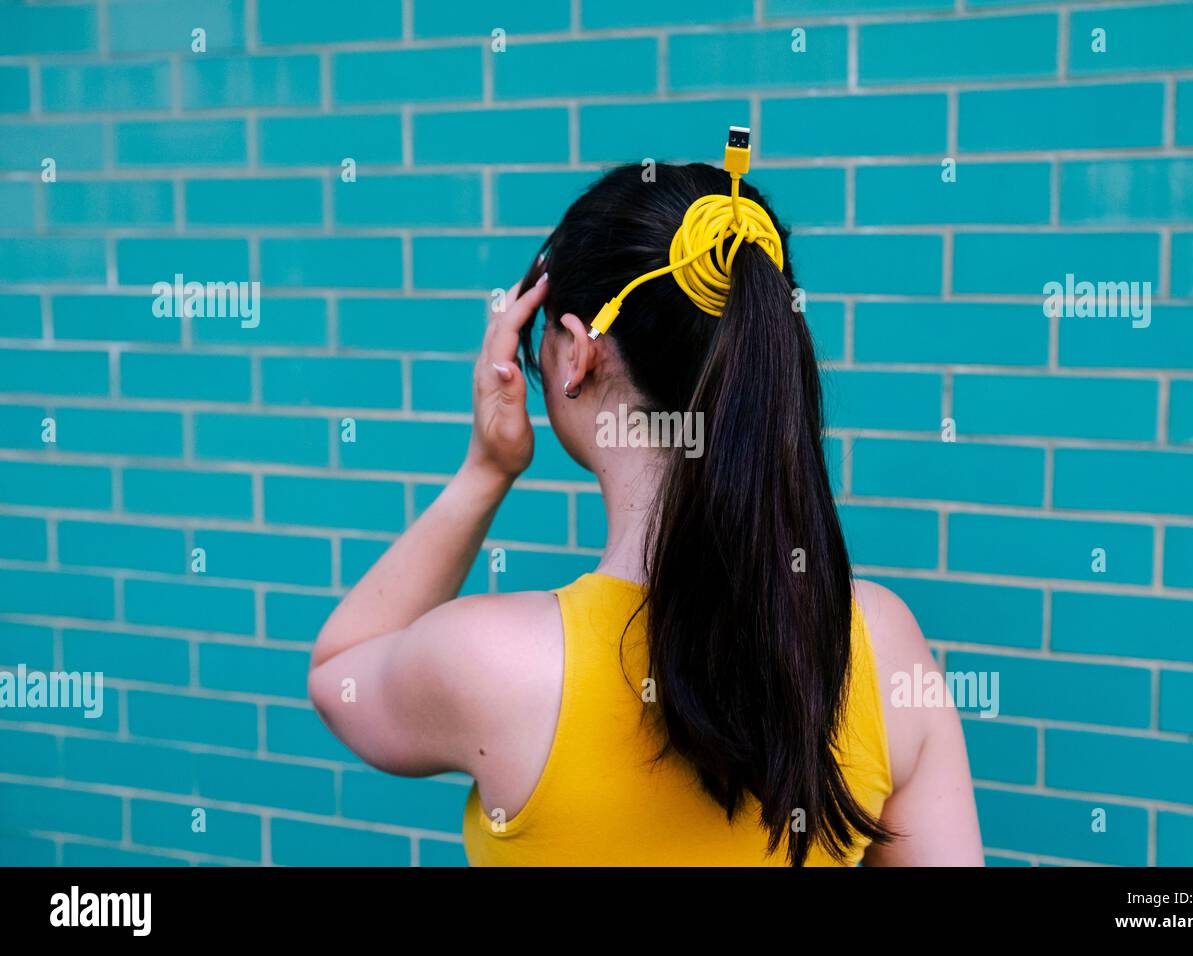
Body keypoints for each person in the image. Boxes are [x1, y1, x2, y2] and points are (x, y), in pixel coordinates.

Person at [309, 154, 983, 866]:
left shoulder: (491, 663)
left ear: (578, 356)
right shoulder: (878, 646)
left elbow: (338, 672)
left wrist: (486, 470)